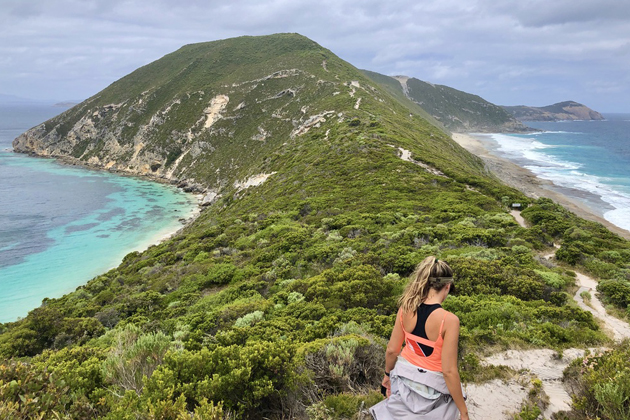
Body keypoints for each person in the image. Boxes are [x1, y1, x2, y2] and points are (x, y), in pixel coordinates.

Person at [369, 256, 469, 420]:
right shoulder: (449, 320)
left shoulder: (405, 308)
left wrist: (387, 375)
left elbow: (392, 350)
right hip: (432, 391)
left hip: (403, 381)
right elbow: (449, 371)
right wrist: (463, 412)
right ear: (447, 286)